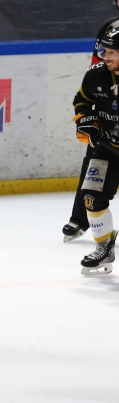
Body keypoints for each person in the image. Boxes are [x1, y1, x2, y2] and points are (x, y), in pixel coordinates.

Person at [62, 0, 119, 242]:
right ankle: (81, 219)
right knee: (94, 166)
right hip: (109, 112)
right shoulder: (109, 26)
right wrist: (90, 116)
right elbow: (98, 69)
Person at [71, 21, 119, 275]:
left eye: (112, 52)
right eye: (105, 50)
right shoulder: (96, 74)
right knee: (91, 196)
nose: (105, 56)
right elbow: (82, 101)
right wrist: (86, 122)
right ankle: (104, 249)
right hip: (107, 149)